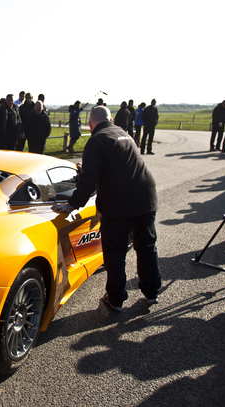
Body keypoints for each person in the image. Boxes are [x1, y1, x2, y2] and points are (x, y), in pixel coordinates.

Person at [51, 106, 160, 312]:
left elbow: (89, 181)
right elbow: (119, 165)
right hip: (146, 197)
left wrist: (72, 204)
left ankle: (116, 299)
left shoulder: (97, 139)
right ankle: (152, 293)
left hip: (119, 203)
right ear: (110, 119)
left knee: (115, 252)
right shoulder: (124, 134)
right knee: (146, 247)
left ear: (90, 124)